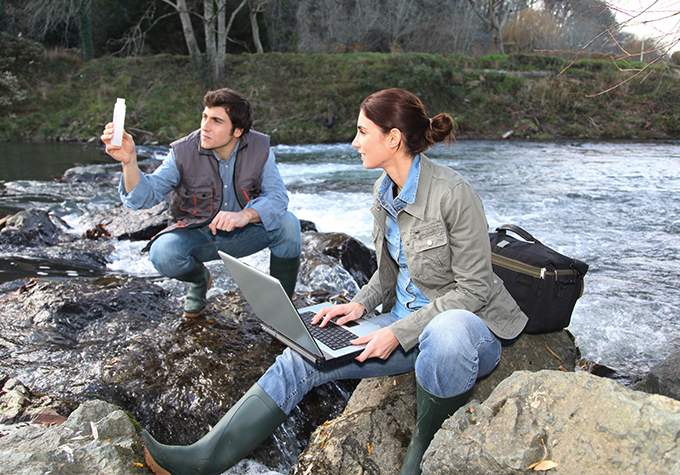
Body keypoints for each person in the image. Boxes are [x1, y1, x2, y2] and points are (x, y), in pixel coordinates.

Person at [140, 88, 528, 475]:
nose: (354, 142)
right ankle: (206, 458)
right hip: (401, 322)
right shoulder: (383, 191)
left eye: (362, 132)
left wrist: (395, 334)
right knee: (304, 353)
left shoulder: (453, 193)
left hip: (466, 330)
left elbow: (474, 289)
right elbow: (390, 272)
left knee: (447, 332)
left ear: (392, 139)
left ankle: (420, 455)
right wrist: (360, 304)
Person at [101, 88, 302, 318]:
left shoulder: (260, 149)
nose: (205, 126)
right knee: (163, 252)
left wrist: (245, 215)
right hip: (197, 237)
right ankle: (200, 280)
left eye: (216, 121)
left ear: (237, 130)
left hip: (243, 234)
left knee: (288, 225)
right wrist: (129, 161)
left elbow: (277, 197)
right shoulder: (182, 151)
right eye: (204, 117)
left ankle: (282, 308)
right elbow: (143, 198)